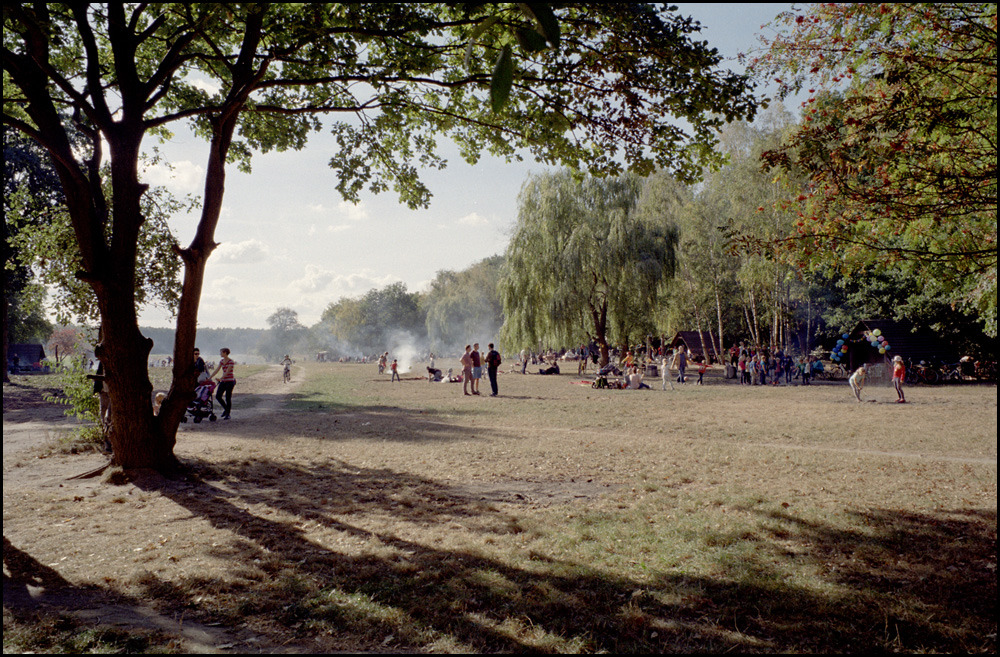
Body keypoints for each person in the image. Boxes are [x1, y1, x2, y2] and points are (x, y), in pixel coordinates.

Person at [209, 347, 236, 419]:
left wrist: (221, 378)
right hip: (223, 381)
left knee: (228, 397)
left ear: (225, 353)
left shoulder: (231, 361)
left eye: (221, 352)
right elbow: (217, 370)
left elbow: (227, 372)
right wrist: (209, 377)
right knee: (218, 396)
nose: (220, 354)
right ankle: (226, 409)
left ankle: (228, 414)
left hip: (230, 381)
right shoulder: (221, 361)